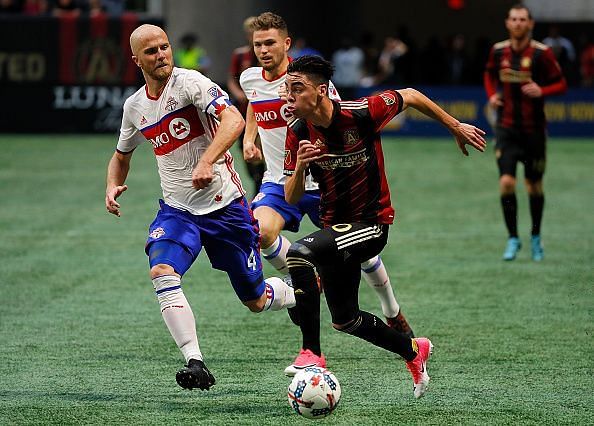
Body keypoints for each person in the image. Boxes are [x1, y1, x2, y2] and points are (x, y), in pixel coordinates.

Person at [105, 24, 296, 391]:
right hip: (177, 211)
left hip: (226, 208)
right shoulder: (135, 107)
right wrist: (112, 185)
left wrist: (207, 160)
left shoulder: (190, 83)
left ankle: (301, 289)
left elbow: (235, 120)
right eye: (151, 51)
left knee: (256, 300)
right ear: (137, 60)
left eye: (164, 47)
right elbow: (120, 156)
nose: (161, 54)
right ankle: (195, 362)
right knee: (162, 270)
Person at [283, 55, 486, 398]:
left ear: (320, 91)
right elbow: (291, 196)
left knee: (299, 254)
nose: (289, 96)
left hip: (371, 224)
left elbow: (412, 95)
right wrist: (301, 166)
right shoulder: (298, 132)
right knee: (345, 319)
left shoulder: (361, 111)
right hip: (335, 228)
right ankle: (413, 350)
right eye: (286, 89)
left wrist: (455, 126)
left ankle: (312, 354)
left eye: (297, 88)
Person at [240, 12, 413, 377]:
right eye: (258, 44)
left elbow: (336, 122)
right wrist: (248, 138)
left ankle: (393, 311)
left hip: (328, 184)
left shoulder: (313, 84)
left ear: (287, 44)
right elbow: (254, 106)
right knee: (260, 232)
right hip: (282, 179)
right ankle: (303, 284)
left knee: (360, 257)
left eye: (270, 43)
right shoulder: (249, 78)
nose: (263, 50)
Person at [484, 4, 567, 261]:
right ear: (507, 23)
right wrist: (492, 96)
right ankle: (512, 238)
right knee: (507, 183)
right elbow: (488, 74)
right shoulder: (498, 51)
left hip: (534, 132)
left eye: (522, 19)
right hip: (506, 129)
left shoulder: (542, 54)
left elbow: (561, 83)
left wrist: (543, 90)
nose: (518, 23)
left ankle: (535, 237)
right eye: (513, 19)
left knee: (534, 186)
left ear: (530, 24)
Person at [227, 16, 265, 194]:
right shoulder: (240, 54)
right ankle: (256, 180)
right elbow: (231, 79)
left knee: (263, 150)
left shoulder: (266, 53)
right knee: (245, 149)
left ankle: (261, 188)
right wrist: (239, 94)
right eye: (250, 33)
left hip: (264, 112)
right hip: (243, 112)